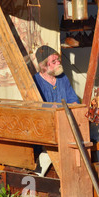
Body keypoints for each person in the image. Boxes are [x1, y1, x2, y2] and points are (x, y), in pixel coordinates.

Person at [33, 45, 79, 177]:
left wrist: (75, 106)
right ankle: (40, 174)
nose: (58, 63)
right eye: (53, 62)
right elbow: (37, 106)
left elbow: (72, 98)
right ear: (44, 66)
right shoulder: (36, 81)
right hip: (47, 125)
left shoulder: (62, 77)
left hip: (65, 121)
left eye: (58, 60)